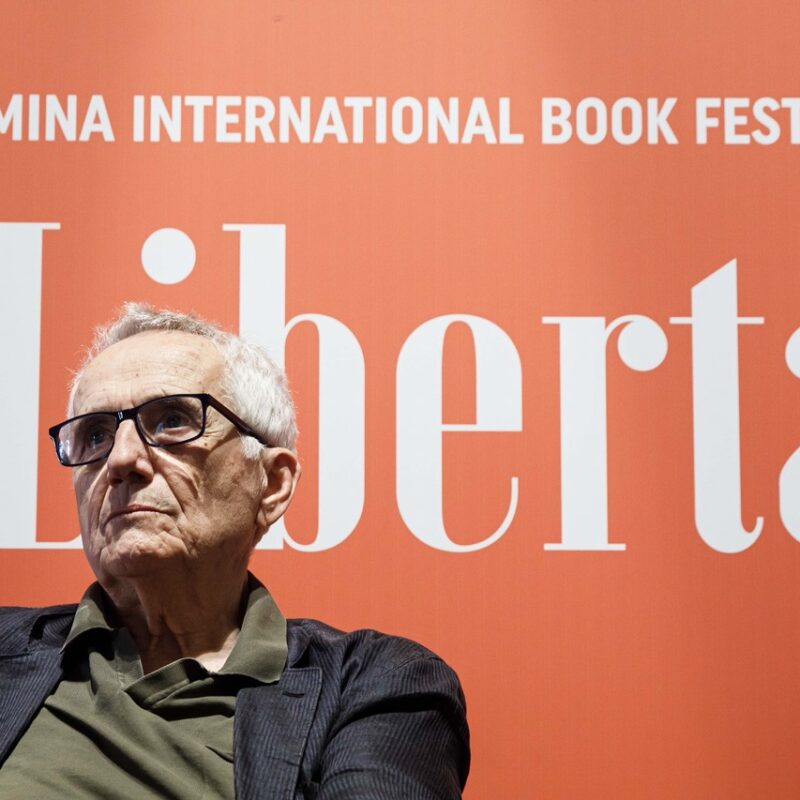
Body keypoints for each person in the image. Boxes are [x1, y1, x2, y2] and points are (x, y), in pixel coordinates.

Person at [0, 303, 470, 799]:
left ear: (271, 484)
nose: (121, 459)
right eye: (96, 434)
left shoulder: (372, 684)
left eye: (172, 420)